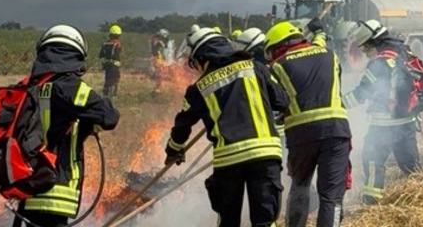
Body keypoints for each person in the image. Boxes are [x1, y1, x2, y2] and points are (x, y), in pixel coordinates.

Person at [164, 27, 288, 227]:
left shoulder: (198, 88)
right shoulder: (257, 68)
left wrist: (173, 150)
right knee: (265, 219)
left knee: (228, 221)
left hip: (228, 160)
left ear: (203, 56)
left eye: (195, 63)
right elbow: (282, 101)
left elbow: (182, 126)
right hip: (265, 154)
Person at [13, 24, 120, 227]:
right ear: (75, 56)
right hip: (55, 190)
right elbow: (109, 117)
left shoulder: (29, 86)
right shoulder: (68, 87)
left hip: (28, 189)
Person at [265, 19, 351, 227]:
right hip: (335, 132)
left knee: (300, 187)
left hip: (301, 136)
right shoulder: (330, 55)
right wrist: (319, 31)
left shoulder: (276, 67)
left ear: (277, 46)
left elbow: (277, 102)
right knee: (331, 196)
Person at [342, 19, 421, 204]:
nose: (365, 52)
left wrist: (338, 104)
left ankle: (371, 201)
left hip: (384, 123)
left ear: (373, 42)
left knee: (372, 158)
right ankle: (421, 196)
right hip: (408, 120)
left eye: (365, 48)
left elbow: (362, 93)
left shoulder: (379, 62)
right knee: (410, 164)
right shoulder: (404, 51)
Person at [98, 24, 122, 98]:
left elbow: (100, 55)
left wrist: (104, 62)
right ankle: (112, 96)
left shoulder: (105, 43)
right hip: (114, 65)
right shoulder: (117, 44)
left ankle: (105, 94)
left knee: (107, 79)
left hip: (106, 65)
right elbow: (117, 55)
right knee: (115, 80)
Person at [149, 28, 170, 93]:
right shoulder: (156, 41)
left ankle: (158, 87)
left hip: (158, 57)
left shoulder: (156, 40)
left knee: (161, 72)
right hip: (157, 58)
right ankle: (157, 88)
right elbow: (157, 46)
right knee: (160, 72)